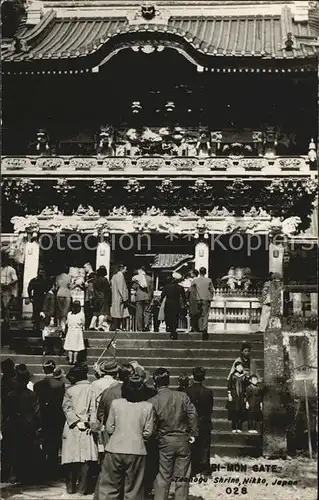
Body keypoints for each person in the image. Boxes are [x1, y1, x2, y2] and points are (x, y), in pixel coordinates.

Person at [94, 375, 154, 500]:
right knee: (134, 489)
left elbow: (109, 427)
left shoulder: (116, 404)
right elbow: (148, 432)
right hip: (137, 450)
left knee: (109, 487)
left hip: (114, 448)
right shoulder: (147, 407)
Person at [149, 367, 198, 500]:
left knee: (163, 475)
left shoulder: (153, 401)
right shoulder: (182, 396)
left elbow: (151, 424)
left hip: (164, 440)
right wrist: (193, 433)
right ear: (168, 381)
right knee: (182, 476)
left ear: (155, 383)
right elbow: (192, 414)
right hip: (183, 439)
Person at [62, 363, 99, 495]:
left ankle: (70, 487)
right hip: (87, 425)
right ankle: (82, 489)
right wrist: (91, 424)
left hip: (72, 426)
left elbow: (67, 408)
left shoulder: (70, 390)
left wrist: (75, 421)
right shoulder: (92, 389)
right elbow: (94, 409)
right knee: (86, 459)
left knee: (71, 458)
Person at [6, 364, 42, 484]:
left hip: (14, 424)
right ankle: (26, 474)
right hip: (28, 424)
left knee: (14, 450)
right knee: (27, 450)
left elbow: (6, 411)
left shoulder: (10, 395)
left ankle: (14, 475)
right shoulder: (32, 395)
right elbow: (37, 412)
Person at [33, 360, 65, 479]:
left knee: (43, 442)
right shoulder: (59, 384)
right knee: (54, 444)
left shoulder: (38, 385)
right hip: (55, 417)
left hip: (42, 416)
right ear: (54, 369)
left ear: (43, 370)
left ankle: (42, 468)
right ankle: (53, 469)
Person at [186, 367, 213, 475]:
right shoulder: (208, 392)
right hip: (204, 421)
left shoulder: (187, 391)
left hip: (191, 421)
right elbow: (209, 409)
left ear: (193, 377)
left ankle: (192, 468)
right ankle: (205, 468)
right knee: (205, 445)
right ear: (204, 378)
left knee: (192, 446)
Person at [1, 358, 18, 482]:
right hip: (8, 417)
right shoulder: (6, 380)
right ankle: (7, 472)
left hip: (11, 417)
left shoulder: (11, 381)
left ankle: (10, 472)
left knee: (10, 447)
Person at [160, 272, 187, 340]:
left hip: (168, 303)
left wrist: (160, 301)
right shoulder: (180, 288)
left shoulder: (166, 287)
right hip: (176, 304)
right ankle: (173, 329)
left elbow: (162, 295)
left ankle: (169, 327)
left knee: (168, 316)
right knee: (175, 317)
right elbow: (184, 297)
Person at [191, 267, 214, 340]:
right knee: (205, 314)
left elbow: (192, 290)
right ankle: (204, 329)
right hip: (206, 299)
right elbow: (212, 290)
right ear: (205, 272)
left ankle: (199, 327)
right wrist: (211, 297)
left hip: (198, 299)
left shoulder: (195, 280)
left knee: (199, 314)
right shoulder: (209, 280)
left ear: (199, 272)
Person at [226, 361, 248, 433]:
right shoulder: (232, 376)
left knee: (240, 411)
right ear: (235, 367)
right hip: (234, 394)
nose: (240, 368)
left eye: (241, 367)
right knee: (234, 411)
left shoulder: (244, 376)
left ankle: (239, 427)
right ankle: (233, 427)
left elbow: (246, 386)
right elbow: (229, 386)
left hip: (241, 395)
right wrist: (229, 395)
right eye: (238, 367)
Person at [89, 266, 111, 331]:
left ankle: (91, 325)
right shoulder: (104, 279)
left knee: (95, 312)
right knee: (102, 312)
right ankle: (100, 326)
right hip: (102, 297)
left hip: (95, 298)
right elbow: (107, 290)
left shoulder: (95, 280)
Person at [132, 266, 153, 331]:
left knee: (139, 313)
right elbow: (152, 289)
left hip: (139, 298)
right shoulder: (150, 278)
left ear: (140, 271)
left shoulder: (137, 278)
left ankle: (140, 327)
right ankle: (146, 325)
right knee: (147, 312)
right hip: (147, 297)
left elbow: (134, 288)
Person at [64, 300, 85, 365]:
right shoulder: (81, 314)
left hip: (70, 331)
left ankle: (70, 360)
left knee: (70, 347)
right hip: (77, 331)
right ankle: (75, 360)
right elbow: (83, 323)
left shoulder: (69, 314)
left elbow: (67, 322)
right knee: (76, 347)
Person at [40, 280, 57, 356]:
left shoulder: (46, 294)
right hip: (48, 316)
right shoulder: (51, 296)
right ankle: (48, 349)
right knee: (48, 334)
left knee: (44, 334)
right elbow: (52, 308)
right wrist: (52, 318)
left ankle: (45, 349)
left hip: (44, 315)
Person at [110, 264, 129, 330]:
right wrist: (125, 298)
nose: (126, 271)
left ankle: (116, 326)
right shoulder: (120, 276)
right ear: (122, 269)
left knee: (116, 312)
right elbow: (121, 288)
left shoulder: (114, 276)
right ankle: (118, 327)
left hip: (115, 297)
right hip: (119, 297)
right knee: (120, 313)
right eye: (125, 269)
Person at [1, 254, 18, 321]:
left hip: (7, 290)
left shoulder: (11, 269)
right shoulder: (1, 269)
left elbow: (15, 279)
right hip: (1, 289)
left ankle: (7, 321)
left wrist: (8, 284)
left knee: (6, 306)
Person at [84, 262, 95, 329]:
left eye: (85, 267)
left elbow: (92, 287)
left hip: (90, 296)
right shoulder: (88, 275)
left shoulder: (92, 275)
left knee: (90, 311)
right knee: (87, 311)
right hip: (87, 296)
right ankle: (87, 325)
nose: (84, 269)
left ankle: (89, 326)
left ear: (89, 266)